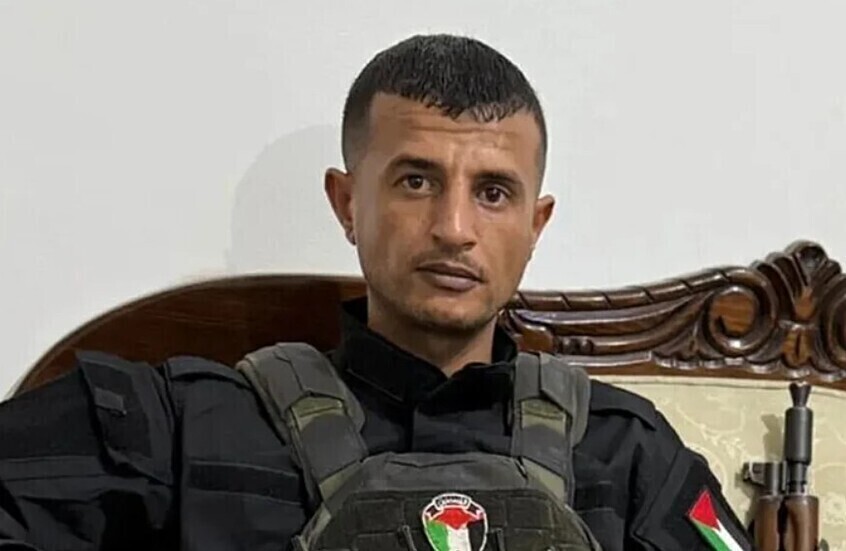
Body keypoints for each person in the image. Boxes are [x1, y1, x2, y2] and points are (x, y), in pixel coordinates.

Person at [0, 34, 750, 551]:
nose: (454, 228)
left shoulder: (627, 453)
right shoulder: (183, 425)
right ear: (346, 202)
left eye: (493, 192)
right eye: (416, 181)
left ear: (536, 224)